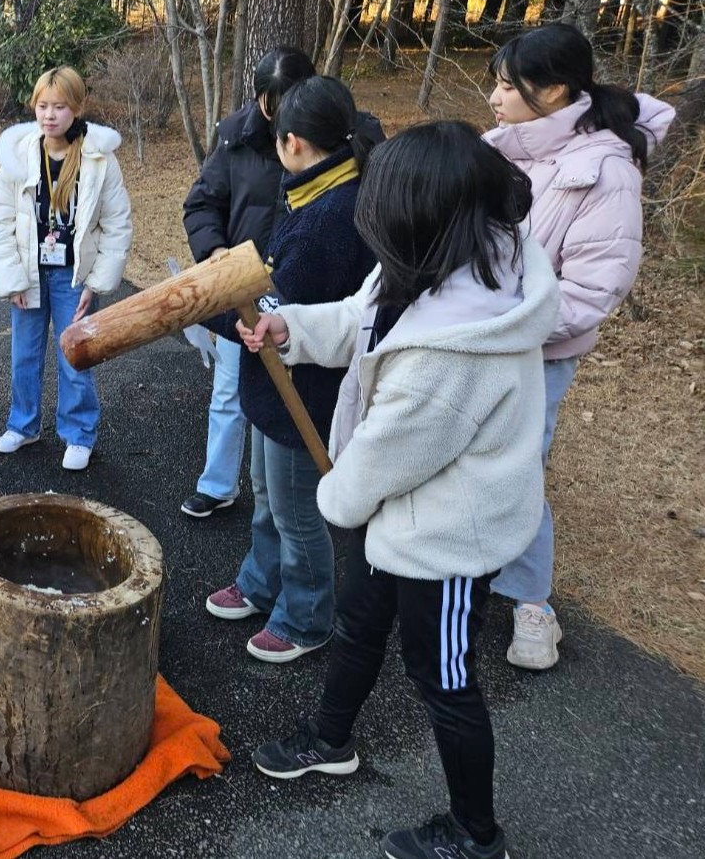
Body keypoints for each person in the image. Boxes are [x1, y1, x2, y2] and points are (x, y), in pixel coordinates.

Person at [247, 121, 560, 859]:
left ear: (425, 214)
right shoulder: (430, 260)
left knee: (443, 678)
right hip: (396, 519)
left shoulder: (454, 350)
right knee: (358, 624)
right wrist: (287, 327)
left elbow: (380, 462)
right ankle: (329, 737)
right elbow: (360, 320)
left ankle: (475, 836)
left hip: (448, 537)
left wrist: (334, 504)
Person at [483, 22, 675, 670]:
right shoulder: (502, 150)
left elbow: (595, 287)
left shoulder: (603, 171)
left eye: (508, 86)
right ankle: (466, 571)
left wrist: (502, 322)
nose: (493, 98)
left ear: (557, 89)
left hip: (538, 354)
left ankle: (532, 604)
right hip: (474, 341)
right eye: (495, 83)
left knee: (516, 471)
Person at [203, 77, 378, 663]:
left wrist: (217, 312)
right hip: (272, 391)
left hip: (304, 392)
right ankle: (261, 581)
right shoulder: (312, 190)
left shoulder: (332, 215)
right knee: (266, 496)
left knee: (298, 509)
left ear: (293, 142)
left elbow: (277, 307)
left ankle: (306, 616)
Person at [179, 47, 317, 516]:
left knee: (297, 400)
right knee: (229, 390)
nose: (278, 120)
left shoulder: (337, 138)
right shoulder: (235, 139)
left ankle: (308, 493)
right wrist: (217, 253)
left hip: (303, 293)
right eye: (269, 104)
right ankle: (218, 483)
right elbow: (201, 204)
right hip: (244, 292)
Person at [0, 66, 133, 471]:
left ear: (77, 107)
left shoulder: (99, 160)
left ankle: (79, 433)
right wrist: (11, 279)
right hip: (30, 272)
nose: (49, 115)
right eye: (42, 106)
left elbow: (117, 224)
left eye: (59, 106)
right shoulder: (19, 156)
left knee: (76, 355)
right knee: (24, 354)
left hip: (73, 276)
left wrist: (97, 283)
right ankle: (23, 424)